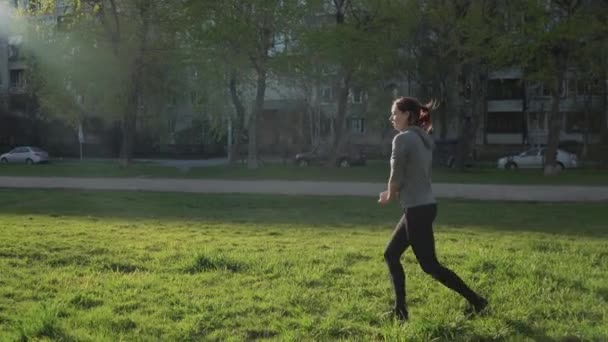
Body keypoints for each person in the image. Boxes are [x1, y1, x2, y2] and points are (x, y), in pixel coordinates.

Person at [378, 96, 487, 321]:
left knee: (430, 265)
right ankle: (401, 311)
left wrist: (389, 194)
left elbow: (396, 174)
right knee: (391, 254)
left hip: (417, 209)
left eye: (395, 113)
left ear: (408, 115)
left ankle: (477, 301)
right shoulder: (422, 138)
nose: (392, 118)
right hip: (424, 205)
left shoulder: (403, 139)